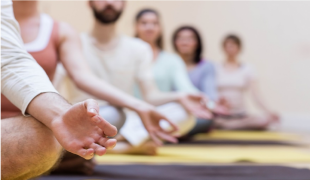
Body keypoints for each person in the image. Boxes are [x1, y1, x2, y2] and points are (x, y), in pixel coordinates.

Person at [7, 0, 180, 175]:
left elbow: (82, 77)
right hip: (13, 129)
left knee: (106, 116)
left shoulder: (60, 31)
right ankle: (60, 162)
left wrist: (141, 105)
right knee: (43, 139)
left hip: (38, 123)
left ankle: (56, 158)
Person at [58, 0, 213, 155]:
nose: (109, 2)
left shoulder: (139, 48)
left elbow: (151, 96)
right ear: (90, 3)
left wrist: (180, 96)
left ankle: (116, 143)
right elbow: (54, 88)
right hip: (88, 122)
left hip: (127, 122)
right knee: (111, 114)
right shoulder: (72, 44)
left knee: (184, 113)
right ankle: (124, 146)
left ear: (124, 4)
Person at [0, 0, 117, 179]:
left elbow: (8, 61)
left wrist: (59, 115)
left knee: (43, 138)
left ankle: (64, 154)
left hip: (16, 122)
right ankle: (67, 160)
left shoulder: (59, 29)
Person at [134, 9, 218, 136]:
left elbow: (186, 88)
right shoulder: (127, 54)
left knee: (188, 115)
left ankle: (137, 138)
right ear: (136, 27)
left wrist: (209, 104)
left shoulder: (172, 60)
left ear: (160, 28)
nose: (149, 27)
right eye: (144, 23)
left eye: (154, 23)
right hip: (131, 111)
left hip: (160, 112)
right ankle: (148, 138)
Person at [213, 34, 280, 130]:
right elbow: (209, 92)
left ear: (239, 48)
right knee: (213, 121)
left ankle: (231, 126)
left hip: (241, 115)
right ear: (223, 48)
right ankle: (229, 125)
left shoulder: (248, 69)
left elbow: (256, 94)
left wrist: (269, 111)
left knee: (262, 120)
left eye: (233, 46)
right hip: (221, 115)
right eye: (227, 46)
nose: (230, 49)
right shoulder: (215, 67)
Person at [173, 26, 218, 101]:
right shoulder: (169, 65)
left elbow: (210, 94)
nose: (184, 43)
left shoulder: (206, 66)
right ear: (174, 42)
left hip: (200, 109)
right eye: (180, 39)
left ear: (197, 43)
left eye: (189, 39)